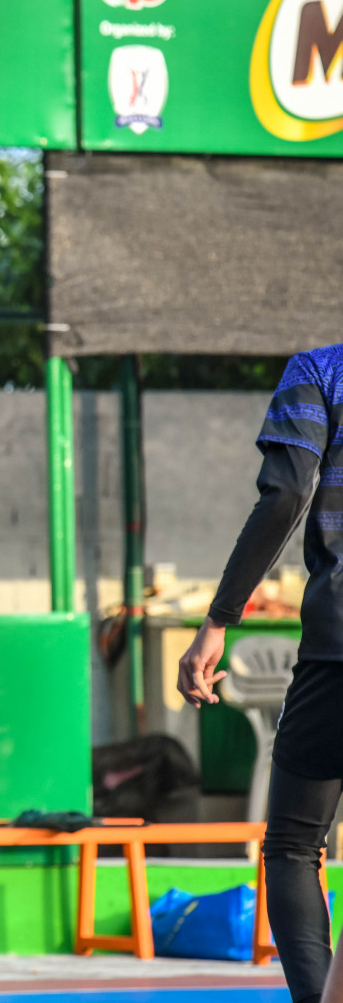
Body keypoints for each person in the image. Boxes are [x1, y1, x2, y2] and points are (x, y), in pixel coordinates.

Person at [177, 345, 343, 1003]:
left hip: (337, 644)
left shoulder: (319, 372)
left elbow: (289, 492)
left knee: (295, 847)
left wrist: (220, 618)